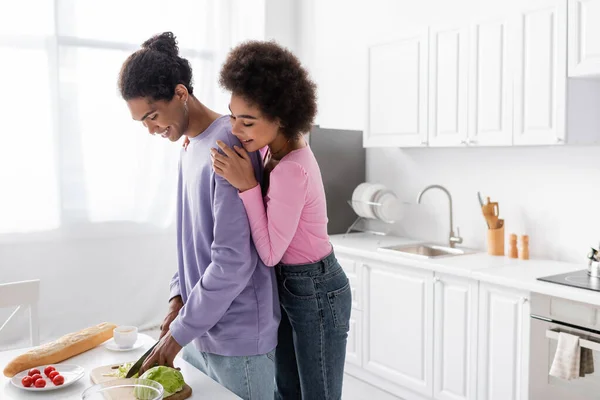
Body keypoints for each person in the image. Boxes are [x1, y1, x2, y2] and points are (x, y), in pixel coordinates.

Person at [117, 32, 279, 400]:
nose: (151, 129)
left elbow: (233, 261)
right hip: (198, 332)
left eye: (153, 116)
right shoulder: (189, 147)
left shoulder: (228, 143)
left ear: (180, 93)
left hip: (239, 342)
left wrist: (176, 336)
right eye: (142, 121)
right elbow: (190, 239)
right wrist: (177, 298)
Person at [211, 40, 352, 400]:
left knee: (316, 394)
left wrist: (247, 187)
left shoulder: (292, 169)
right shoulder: (277, 145)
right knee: (285, 390)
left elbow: (271, 252)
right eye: (232, 116)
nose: (237, 129)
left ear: (280, 119)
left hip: (316, 289)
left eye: (247, 121)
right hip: (293, 285)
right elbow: (242, 126)